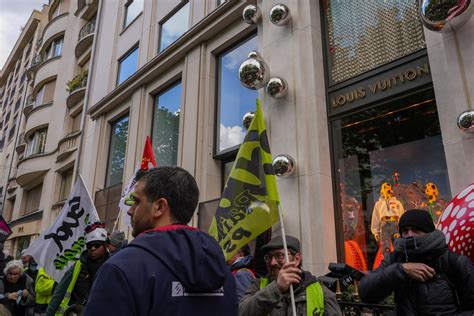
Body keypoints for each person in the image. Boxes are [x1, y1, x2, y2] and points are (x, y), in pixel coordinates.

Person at [84, 166, 237, 316]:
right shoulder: (223, 272)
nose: (130, 210)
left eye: (137, 202)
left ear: (159, 207)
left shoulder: (119, 270)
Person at [359, 209, 474, 315]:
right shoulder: (395, 259)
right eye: (405, 231)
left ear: (428, 231)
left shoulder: (454, 261)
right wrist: (401, 270)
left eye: (416, 229)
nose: (410, 235)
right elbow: (366, 293)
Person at [239, 235, 342, 316]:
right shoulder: (257, 286)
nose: (272, 262)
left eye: (279, 256)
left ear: (297, 259)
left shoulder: (322, 293)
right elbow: (241, 312)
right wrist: (276, 288)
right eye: (268, 257)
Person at [46, 223, 109, 316]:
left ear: (105, 246)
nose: (92, 249)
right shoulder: (77, 266)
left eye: (97, 245)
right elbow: (59, 293)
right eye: (89, 246)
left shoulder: (112, 267)